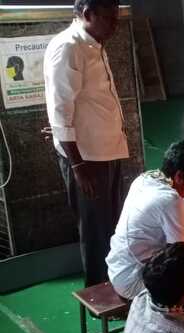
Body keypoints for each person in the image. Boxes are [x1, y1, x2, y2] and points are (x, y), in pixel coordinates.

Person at [44, 0, 128, 287]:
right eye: (109, 19)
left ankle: (116, 286)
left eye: (116, 19)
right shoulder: (68, 47)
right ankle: (99, 292)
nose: (114, 26)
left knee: (111, 226)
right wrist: (78, 166)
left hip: (107, 151)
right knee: (95, 232)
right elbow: (60, 111)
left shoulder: (94, 44)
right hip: (87, 159)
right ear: (87, 13)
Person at [106, 140, 184, 302]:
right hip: (134, 281)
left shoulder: (145, 178)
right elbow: (183, 258)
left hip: (118, 270)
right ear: (179, 176)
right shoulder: (170, 199)